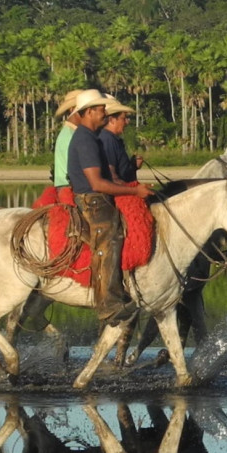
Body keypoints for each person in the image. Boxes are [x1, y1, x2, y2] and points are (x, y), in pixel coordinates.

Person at [67, 91, 154, 324]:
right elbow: (97, 183)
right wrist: (135, 191)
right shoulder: (85, 139)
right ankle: (109, 305)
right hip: (92, 200)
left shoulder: (91, 137)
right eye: (100, 109)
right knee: (111, 235)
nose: (105, 112)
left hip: (96, 197)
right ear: (88, 113)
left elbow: (110, 177)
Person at [97, 96, 141, 186]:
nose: (126, 122)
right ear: (112, 120)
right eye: (123, 118)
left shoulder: (112, 139)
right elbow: (113, 175)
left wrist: (133, 166)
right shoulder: (108, 140)